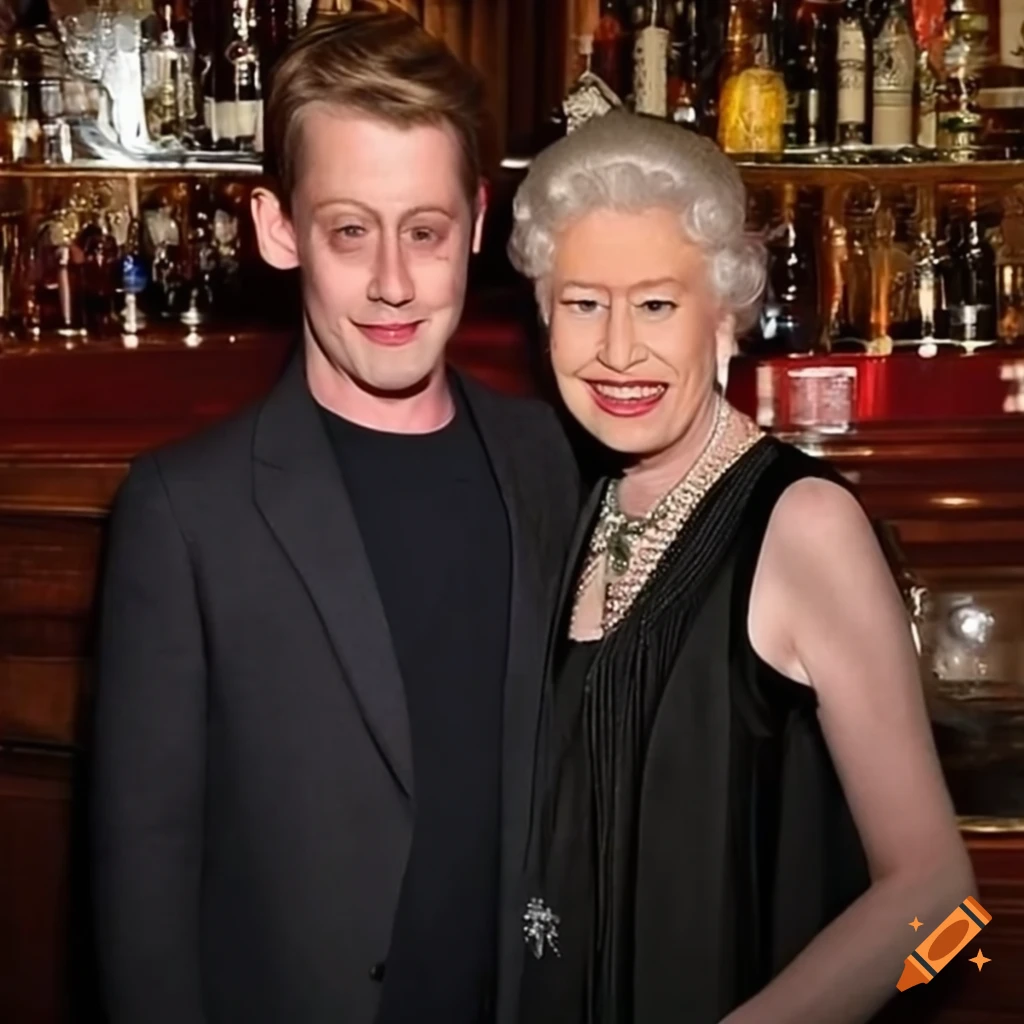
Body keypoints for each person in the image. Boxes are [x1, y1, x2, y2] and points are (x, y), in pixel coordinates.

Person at [91, 12, 579, 1024]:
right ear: (279, 230)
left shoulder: (546, 458)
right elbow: (140, 889)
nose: (393, 282)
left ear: (477, 221)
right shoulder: (185, 511)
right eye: (349, 230)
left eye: (426, 231)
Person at [507, 110, 974, 1024]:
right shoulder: (573, 508)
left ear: (725, 314)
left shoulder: (803, 523)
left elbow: (939, 900)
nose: (616, 350)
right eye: (582, 302)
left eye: (655, 303)